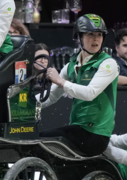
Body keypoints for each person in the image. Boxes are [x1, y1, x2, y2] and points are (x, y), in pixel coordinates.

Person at [40, 14, 118, 156]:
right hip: (78, 129)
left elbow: (90, 93)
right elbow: (51, 96)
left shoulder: (108, 63)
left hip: (96, 135)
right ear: (78, 37)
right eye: (90, 34)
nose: (96, 39)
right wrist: (27, 105)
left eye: (99, 35)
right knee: (35, 140)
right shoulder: (72, 64)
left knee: (41, 140)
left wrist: (60, 81)